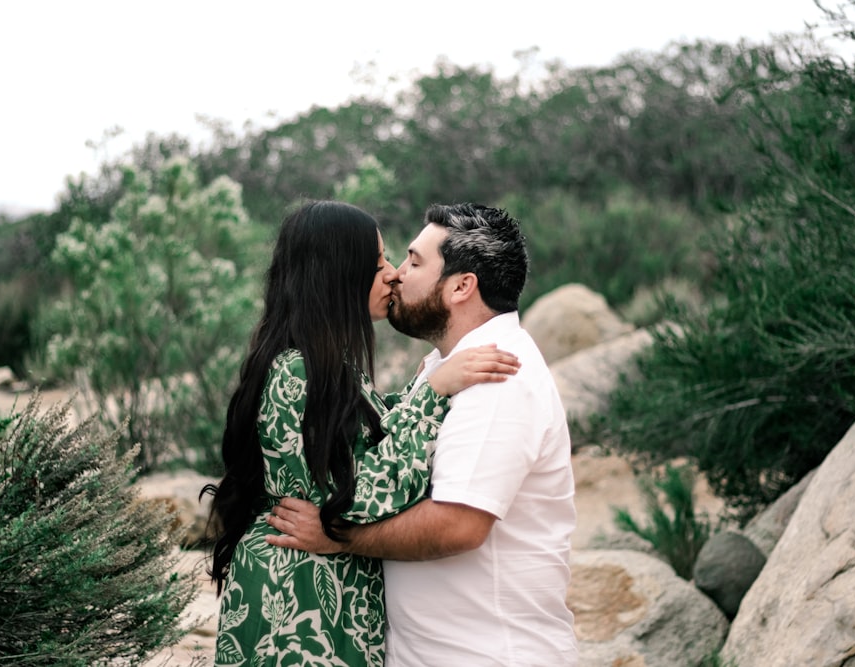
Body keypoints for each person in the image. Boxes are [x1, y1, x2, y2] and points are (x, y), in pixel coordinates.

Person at [202, 200, 521, 667]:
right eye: (378, 264)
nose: (393, 274)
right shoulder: (297, 372)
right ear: (338, 278)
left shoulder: (327, 367)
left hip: (324, 588)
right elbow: (359, 496)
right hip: (297, 596)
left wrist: (420, 387)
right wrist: (432, 392)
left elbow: (367, 434)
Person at [267, 203, 579, 665]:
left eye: (414, 261)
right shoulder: (447, 369)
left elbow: (459, 525)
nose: (397, 275)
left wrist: (338, 535)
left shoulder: (496, 377)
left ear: (460, 286)